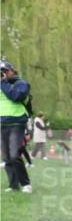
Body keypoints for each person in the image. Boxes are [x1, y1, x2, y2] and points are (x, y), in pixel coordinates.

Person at [0, 59, 31, 192]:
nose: (4, 74)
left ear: (12, 71)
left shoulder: (21, 84)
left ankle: (26, 184)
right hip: (2, 124)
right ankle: (13, 186)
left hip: (17, 123)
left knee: (14, 155)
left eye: (5, 71)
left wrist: (4, 82)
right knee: (7, 157)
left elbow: (16, 97)